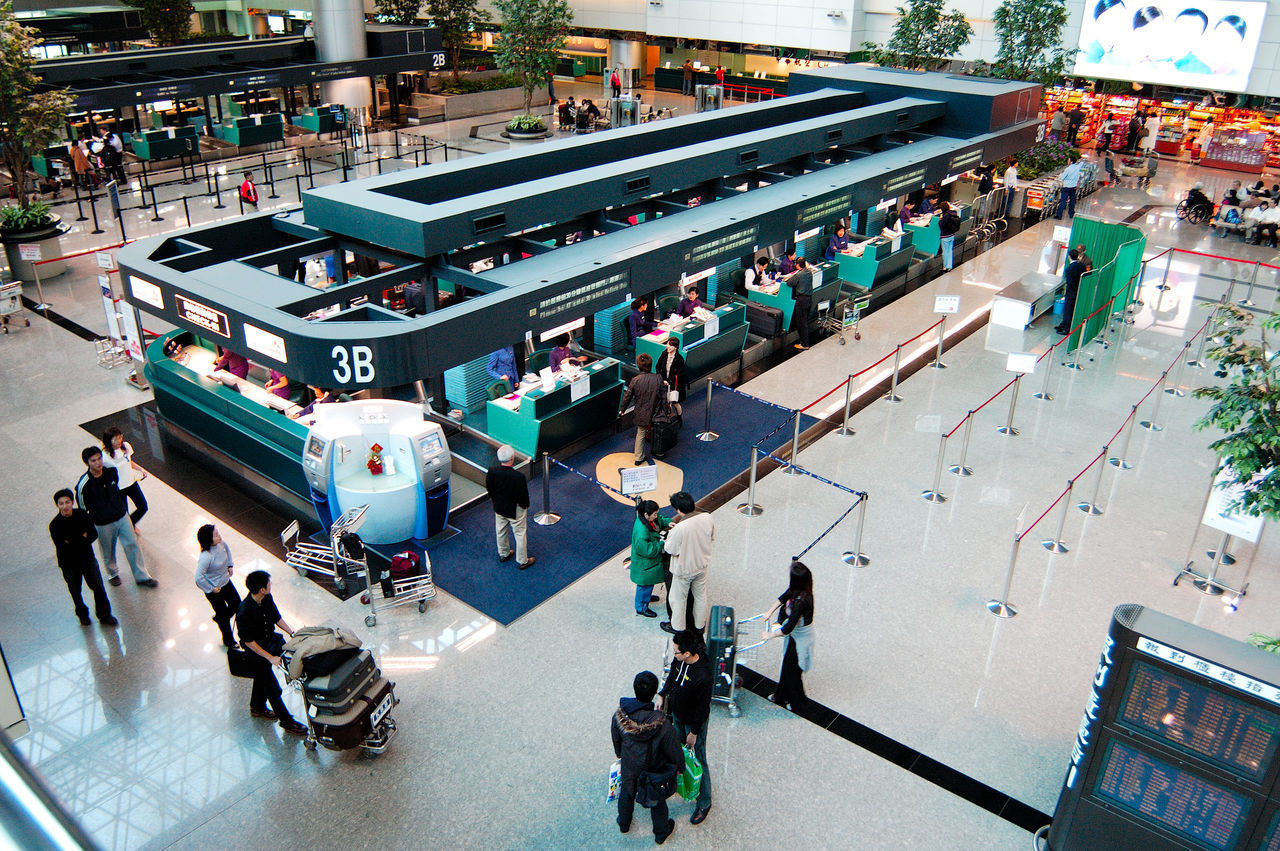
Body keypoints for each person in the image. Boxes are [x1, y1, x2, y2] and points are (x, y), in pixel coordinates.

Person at [234, 570, 308, 735]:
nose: (270, 585)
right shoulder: (244, 612)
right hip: (257, 653)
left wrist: (292, 632)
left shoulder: (266, 598)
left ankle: (257, 707)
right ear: (261, 589)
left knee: (262, 680)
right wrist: (270, 657)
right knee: (273, 689)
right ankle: (287, 722)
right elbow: (249, 642)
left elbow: (276, 617)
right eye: (268, 583)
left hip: (271, 643)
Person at [611, 670, 681, 843]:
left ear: (635, 690)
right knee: (656, 801)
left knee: (627, 793)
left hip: (630, 765)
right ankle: (661, 833)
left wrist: (622, 756)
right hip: (653, 770)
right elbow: (673, 749)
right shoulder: (663, 724)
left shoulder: (620, 716)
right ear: (654, 693)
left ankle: (624, 824)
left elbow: (616, 740)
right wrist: (680, 766)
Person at [76, 446, 155, 588]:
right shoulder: (85, 484)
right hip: (102, 523)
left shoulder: (111, 472)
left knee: (132, 544)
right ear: (87, 463)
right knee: (108, 550)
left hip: (121, 515)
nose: (98, 463)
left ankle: (142, 576)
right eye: (93, 461)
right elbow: (83, 508)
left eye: (99, 458)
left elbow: (117, 489)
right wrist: (89, 525)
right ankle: (112, 573)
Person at [657, 629, 713, 825]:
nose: (675, 655)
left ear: (687, 653)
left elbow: (702, 708)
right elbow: (673, 675)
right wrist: (662, 694)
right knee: (680, 752)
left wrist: (694, 732)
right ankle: (683, 783)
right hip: (678, 715)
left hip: (692, 722)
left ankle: (704, 802)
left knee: (698, 758)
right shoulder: (681, 661)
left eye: (677, 652)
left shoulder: (703, 676)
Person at [49, 489, 117, 626]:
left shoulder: (82, 515)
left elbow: (92, 534)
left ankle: (105, 615)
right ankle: (82, 615)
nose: (65, 506)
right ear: (57, 505)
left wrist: (73, 540)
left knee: (98, 586)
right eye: (61, 503)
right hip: (68, 563)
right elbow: (62, 544)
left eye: (67, 502)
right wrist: (81, 537)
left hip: (87, 559)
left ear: (72, 502)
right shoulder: (55, 524)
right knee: (75, 591)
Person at [760, 560, 814, 712]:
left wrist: (770, 635)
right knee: (788, 666)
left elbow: (789, 627)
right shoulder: (798, 591)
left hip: (801, 639)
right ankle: (780, 696)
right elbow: (783, 597)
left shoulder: (801, 601)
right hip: (796, 636)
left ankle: (799, 705)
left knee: (793, 672)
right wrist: (769, 612)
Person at [661, 491, 715, 634]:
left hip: (684, 570)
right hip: (702, 566)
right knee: (700, 596)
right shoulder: (707, 517)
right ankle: (700, 626)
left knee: (678, 600)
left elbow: (670, 549)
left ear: (678, 509)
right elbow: (712, 536)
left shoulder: (680, 528)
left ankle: (678, 629)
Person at [485, 444, 534, 569]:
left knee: (500, 531)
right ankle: (523, 560)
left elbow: (490, 489)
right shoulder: (518, 477)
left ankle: (504, 553)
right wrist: (525, 506)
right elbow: (523, 495)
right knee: (520, 533)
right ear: (512, 458)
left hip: (499, 506)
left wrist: (495, 501)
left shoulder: (492, 472)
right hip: (515, 509)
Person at [195, 524, 241, 648]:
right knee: (224, 617)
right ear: (208, 540)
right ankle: (228, 640)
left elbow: (228, 551)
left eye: (218, 533)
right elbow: (198, 578)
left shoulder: (221, 544)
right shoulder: (206, 557)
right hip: (215, 590)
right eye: (215, 535)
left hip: (226, 583)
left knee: (237, 604)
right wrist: (211, 588)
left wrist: (230, 565)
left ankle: (221, 618)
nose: (219, 536)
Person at [619, 353, 666, 466]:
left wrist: (622, 410)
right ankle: (658, 451)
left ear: (639, 366)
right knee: (657, 432)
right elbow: (663, 396)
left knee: (641, 433)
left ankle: (639, 457)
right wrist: (665, 410)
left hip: (642, 412)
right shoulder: (658, 378)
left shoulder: (635, 380)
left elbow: (627, 397)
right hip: (656, 410)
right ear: (651, 365)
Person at [630, 500, 671, 618]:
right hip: (645, 564)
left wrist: (669, 522)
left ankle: (646, 598)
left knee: (648, 583)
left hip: (649, 564)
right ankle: (641, 607)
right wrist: (661, 544)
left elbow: (660, 520)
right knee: (644, 585)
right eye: (654, 514)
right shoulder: (641, 531)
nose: (656, 516)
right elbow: (647, 550)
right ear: (646, 515)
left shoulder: (648, 519)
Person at [101, 426, 147, 527]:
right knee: (124, 513)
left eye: (120, 437)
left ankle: (130, 525)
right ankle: (128, 528)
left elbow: (129, 461)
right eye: (115, 439)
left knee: (143, 506)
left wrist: (140, 469)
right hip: (119, 488)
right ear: (109, 441)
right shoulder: (105, 457)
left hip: (131, 483)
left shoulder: (126, 446)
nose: (119, 441)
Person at [1054, 249, 1087, 336]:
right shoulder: (1082, 266)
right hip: (1079, 291)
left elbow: (1070, 283)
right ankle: (1063, 324)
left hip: (1071, 292)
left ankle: (1067, 328)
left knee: (1068, 310)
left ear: (1069, 257)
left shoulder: (1069, 269)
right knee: (1069, 309)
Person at [785, 256, 814, 350]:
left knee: (801, 323)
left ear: (798, 265)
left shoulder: (799, 275)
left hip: (802, 300)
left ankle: (804, 344)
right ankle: (805, 341)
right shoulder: (809, 272)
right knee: (804, 321)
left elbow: (789, 282)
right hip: (809, 299)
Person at [656, 337, 687, 416]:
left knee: (675, 402)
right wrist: (661, 379)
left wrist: (668, 380)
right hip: (663, 382)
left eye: (670, 345)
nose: (668, 347)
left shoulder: (679, 359)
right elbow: (658, 367)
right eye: (667, 344)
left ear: (676, 347)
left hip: (674, 385)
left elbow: (680, 374)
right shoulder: (664, 354)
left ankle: (679, 417)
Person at [1055, 155, 1083, 220]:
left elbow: (1061, 177)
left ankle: (1059, 215)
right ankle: (1071, 213)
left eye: (1068, 160)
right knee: (1072, 201)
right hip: (1073, 187)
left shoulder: (1068, 169)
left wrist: (1059, 176)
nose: (1067, 161)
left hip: (1066, 187)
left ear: (1071, 162)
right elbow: (1081, 162)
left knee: (1063, 201)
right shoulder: (1078, 167)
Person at [938, 201, 961, 272]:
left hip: (945, 236)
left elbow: (942, 225)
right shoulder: (953, 213)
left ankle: (945, 266)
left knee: (945, 251)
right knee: (950, 250)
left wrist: (940, 219)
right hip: (952, 234)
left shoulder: (945, 216)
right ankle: (949, 266)